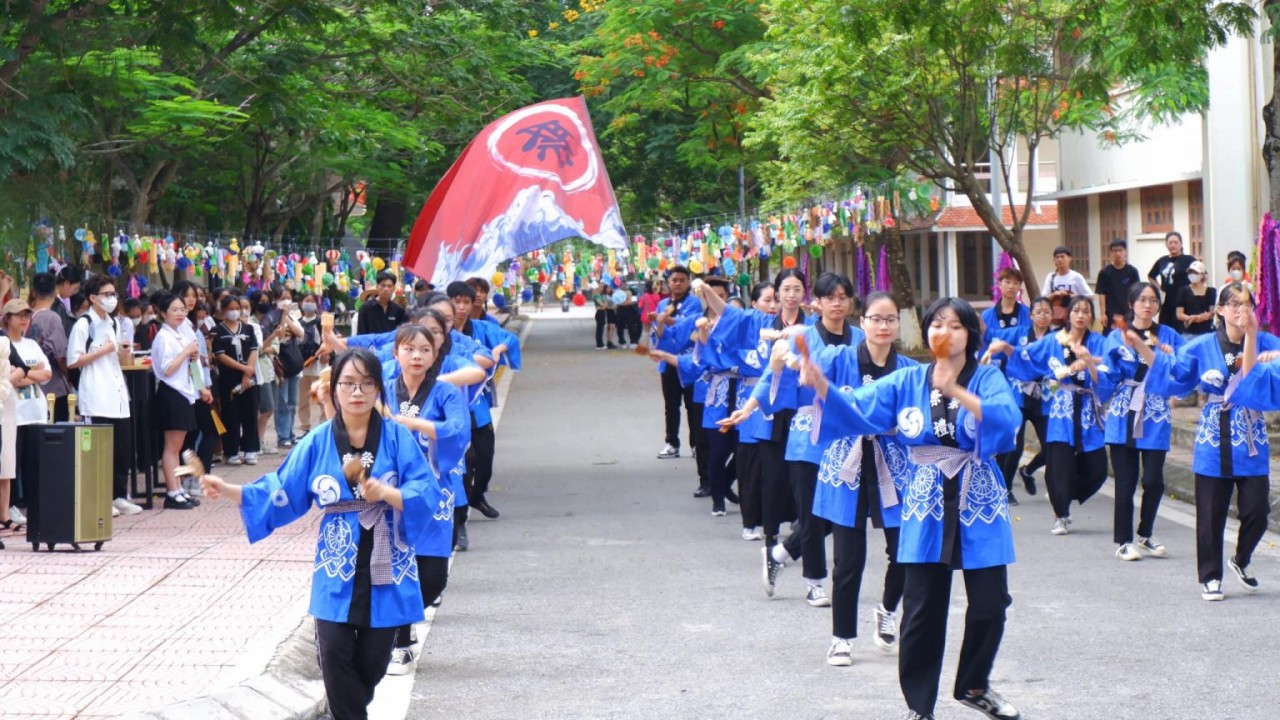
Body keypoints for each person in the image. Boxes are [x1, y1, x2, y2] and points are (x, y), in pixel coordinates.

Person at [800, 297, 1021, 720]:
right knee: (921, 607)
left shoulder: (988, 377)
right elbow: (862, 407)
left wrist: (957, 390)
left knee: (992, 602)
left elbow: (1005, 419)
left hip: (978, 495)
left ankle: (975, 684)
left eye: (956, 325)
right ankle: (920, 707)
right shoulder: (907, 380)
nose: (945, 332)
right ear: (926, 333)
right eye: (937, 324)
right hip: (926, 496)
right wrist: (822, 386)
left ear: (971, 334)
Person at [199, 348, 441, 720]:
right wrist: (230, 491)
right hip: (336, 562)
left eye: (366, 384)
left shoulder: (397, 438)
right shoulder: (318, 440)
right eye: (347, 383)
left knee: (374, 662)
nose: (356, 392)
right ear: (334, 390)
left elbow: (425, 489)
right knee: (331, 651)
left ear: (379, 389)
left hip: (388, 563)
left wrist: (388, 494)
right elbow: (282, 488)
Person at [1146, 283, 1280, 600]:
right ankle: (1210, 576)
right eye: (1233, 304)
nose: (1240, 310)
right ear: (1219, 310)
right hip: (1213, 434)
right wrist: (1153, 354)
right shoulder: (1204, 345)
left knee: (1258, 511)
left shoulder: (1266, 342)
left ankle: (1241, 559)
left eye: (1246, 304)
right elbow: (1177, 372)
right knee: (1210, 512)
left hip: (1250, 436)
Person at [808, 291, 917, 666]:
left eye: (890, 319)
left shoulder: (909, 370)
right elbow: (810, 375)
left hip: (895, 466)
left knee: (905, 551)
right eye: (876, 318)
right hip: (847, 466)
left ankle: (888, 609)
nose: (883, 326)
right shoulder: (840, 358)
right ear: (863, 321)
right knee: (847, 561)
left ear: (897, 325)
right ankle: (841, 638)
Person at [758, 272, 866, 608]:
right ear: (816, 303)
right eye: (829, 297)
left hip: (849, 437)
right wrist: (754, 402)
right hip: (809, 433)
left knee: (839, 514)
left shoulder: (861, 337)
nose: (837, 303)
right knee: (810, 513)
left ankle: (780, 553)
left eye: (843, 297)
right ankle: (815, 581)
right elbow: (772, 380)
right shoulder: (801, 337)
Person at [383, 322, 471, 675]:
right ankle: (399, 640)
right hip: (393, 492)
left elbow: (457, 430)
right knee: (396, 566)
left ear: (435, 354)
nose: (416, 356)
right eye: (409, 349)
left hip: (435, 491)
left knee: (433, 575)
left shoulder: (445, 393)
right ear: (396, 353)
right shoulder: (384, 390)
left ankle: (397, 623)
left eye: (424, 349)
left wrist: (412, 424)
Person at [998, 296, 1112, 535]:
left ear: (1091, 317)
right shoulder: (1053, 341)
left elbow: (1109, 370)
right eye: (1076, 311)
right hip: (1060, 409)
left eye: (1085, 311)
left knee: (1098, 468)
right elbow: (1026, 357)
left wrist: (1089, 361)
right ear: (1068, 314)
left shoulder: (1099, 342)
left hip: (1088, 409)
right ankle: (1061, 513)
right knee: (1058, 463)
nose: (1080, 315)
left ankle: (1068, 493)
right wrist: (1006, 348)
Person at [718, 269, 806, 556]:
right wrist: (746, 409)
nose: (791, 295)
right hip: (769, 409)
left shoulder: (813, 325)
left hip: (804, 409)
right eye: (785, 289)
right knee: (771, 476)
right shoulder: (764, 323)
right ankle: (770, 534)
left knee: (802, 476)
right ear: (778, 294)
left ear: (805, 293)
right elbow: (730, 317)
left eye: (797, 289)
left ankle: (802, 529)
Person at [1102, 282, 1182, 561]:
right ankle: (1124, 540)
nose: (1148, 305)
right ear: (1131, 303)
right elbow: (1107, 375)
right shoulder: (1116, 336)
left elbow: (1181, 370)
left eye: (1153, 300)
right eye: (1142, 300)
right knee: (1126, 481)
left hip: (1156, 411)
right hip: (1125, 410)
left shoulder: (1169, 335)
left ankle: (1145, 533)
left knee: (1155, 481)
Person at [67, 275, 142, 517]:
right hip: (96, 394)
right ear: (93, 298)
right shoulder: (84, 324)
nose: (112, 299)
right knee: (99, 451)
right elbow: (74, 360)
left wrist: (123, 352)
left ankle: (119, 495)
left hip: (117, 393)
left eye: (113, 294)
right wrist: (103, 351)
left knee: (122, 449)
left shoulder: (114, 323)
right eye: (106, 294)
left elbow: (117, 356)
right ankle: (99, 497)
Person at [989, 297, 1053, 499]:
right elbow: (993, 341)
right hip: (1019, 395)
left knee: (1051, 446)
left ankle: (1028, 470)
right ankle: (1005, 488)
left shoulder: (1056, 338)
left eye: (1047, 311)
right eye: (1039, 311)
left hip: (1044, 397)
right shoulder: (1019, 333)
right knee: (1014, 445)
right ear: (1031, 315)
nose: (1043, 315)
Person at [149, 291, 208, 510]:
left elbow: (191, 366)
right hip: (171, 393)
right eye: (174, 310)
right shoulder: (163, 337)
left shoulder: (182, 334)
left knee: (179, 445)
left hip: (185, 392)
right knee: (171, 447)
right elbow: (166, 369)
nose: (180, 313)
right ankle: (172, 491)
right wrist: (185, 353)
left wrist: (200, 384)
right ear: (163, 313)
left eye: (182, 309)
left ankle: (179, 489)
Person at [3, 300, 53, 530]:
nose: (23, 319)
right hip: (15, 414)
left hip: (36, 411)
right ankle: (9, 508)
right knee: (12, 465)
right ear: (7, 318)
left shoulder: (32, 344)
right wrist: (32, 373)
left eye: (26, 314)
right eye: (17, 315)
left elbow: (47, 375)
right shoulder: (4, 345)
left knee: (35, 464)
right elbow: (12, 376)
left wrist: (26, 373)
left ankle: (36, 508)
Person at [653, 266, 703, 463]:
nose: (678, 283)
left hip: (689, 361)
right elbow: (659, 332)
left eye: (682, 280)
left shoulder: (694, 303)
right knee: (671, 405)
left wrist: (668, 320)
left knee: (692, 405)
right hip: (668, 362)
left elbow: (689, 325)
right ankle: (672, 442)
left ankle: (696, 444)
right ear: (668, 282)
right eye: (674, 280)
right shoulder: (663, 304)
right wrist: (660, 323)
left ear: (688, 282)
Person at [212, 294, 260, 466]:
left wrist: (248, 372)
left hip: (249, 377)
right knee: (231, 415)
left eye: (237, 309)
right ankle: (231, 451)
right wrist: (243, 369)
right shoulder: (218, 331)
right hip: (229, 377)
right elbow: (221, 356)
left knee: (250, 413)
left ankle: (250, 450)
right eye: (230, 309)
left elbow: (254, 350)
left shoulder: (248, 329)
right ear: (223, 310)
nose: (234, 312)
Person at [26, 272, 71, 423]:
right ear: (54, 293)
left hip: (26, 386)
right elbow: (60, 357)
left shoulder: (22, 317)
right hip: (52, 388)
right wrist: (70, 377)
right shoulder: (53, 318)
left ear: (34, 292)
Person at [1148, 230, 1196, 332]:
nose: (1173, 245)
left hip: (1184, 300)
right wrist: (1160, 288)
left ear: (1181, 244)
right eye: (1170, 243)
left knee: (1183, 331)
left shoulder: (1189, 259)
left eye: (1176, 242)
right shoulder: (1162, 261)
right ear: (1166, 244)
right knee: (1165, 330)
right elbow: (1151, 276)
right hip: (1167, 301)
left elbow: (1200, 274)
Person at [1041, 246, 1093, 329]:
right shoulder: (1051, 277)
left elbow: (1090, 296)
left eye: (1062, 256)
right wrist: (1055, 294)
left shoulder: (1076, 277)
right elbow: (1043, 299)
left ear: (1069, 258)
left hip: (1074, 318)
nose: (1060, 259)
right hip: (1056, 319)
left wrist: (1077, 297)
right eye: (1057, 257)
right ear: (1054, 260)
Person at [297, 293, 327, 435]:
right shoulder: (297, 322)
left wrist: (326, 354)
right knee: (303, 399)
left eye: (311, 301)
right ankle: (305, 427)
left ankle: (324, 424)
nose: (309, 303)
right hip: (301, 367)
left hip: (318, 366)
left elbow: (328, 339)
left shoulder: (321, 322)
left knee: (322, 396)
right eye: (306, 300)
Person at [1095, 240, 1140, 332]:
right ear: (1111, 253)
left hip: (1128, 313)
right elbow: (1102, 294)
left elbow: (1137, 293)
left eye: (1120, 250)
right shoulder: (1104, 272)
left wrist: (1136, 311)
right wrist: (1103, 314)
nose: (1118, 253)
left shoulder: (1132, 271)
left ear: (1125, 252)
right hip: (1111, 314)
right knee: (1110, 339)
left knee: (1129, 338)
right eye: (1115, 251)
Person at [980, 268, 1030, 342]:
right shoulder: (986, 315)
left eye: (1016, 283)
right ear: (999, 284)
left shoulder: (1028, 314)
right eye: (1007, 282)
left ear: (1020, 287)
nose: (1011, 286)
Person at [1175, 260, 1216, 343]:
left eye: (1195, 273)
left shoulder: (1211, 291)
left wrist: (1205, 316)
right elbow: (1179, 314)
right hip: (1188, 334)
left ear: (1202, 275)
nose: (1192, 275)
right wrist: (1193, 318)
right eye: (1190, 272)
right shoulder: (1183, 291)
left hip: (1206, 333)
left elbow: (1212, 312)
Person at [356, 271, 407, 335]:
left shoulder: (399, 310)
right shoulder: (365, 308)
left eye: (389, 286)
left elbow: (402, 334)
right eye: (383, 285)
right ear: (377, 286)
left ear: (393, 288)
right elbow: (361, 333)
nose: (386, 289)